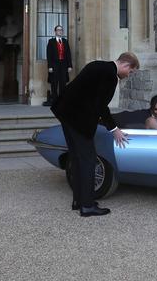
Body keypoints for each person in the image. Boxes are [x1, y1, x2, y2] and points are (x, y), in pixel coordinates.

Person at [50, 51, 140, 217]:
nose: (129, 75)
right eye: (131, 72)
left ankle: (79, 200)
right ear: (126, 65)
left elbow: (79, 91)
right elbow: (100, 106)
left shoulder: (97, 65)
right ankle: (87, 205)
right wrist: (114, 129)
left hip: (65, 114)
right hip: (78, 120)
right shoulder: (110, 76)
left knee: (76, 159)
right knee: (88, 161)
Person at [46, 25, 73, 105]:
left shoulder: (65, 41)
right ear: (55, 32)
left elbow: (68, 54)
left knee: (63, 83)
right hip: (54, 65)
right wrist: (50, 66)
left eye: (61, 30)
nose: (60, 31)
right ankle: (55, 101)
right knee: (54, 83)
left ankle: (62, 100)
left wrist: (70, 66)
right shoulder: (51, 42)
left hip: (64, 65)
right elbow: (49, 55)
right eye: (58, 30)